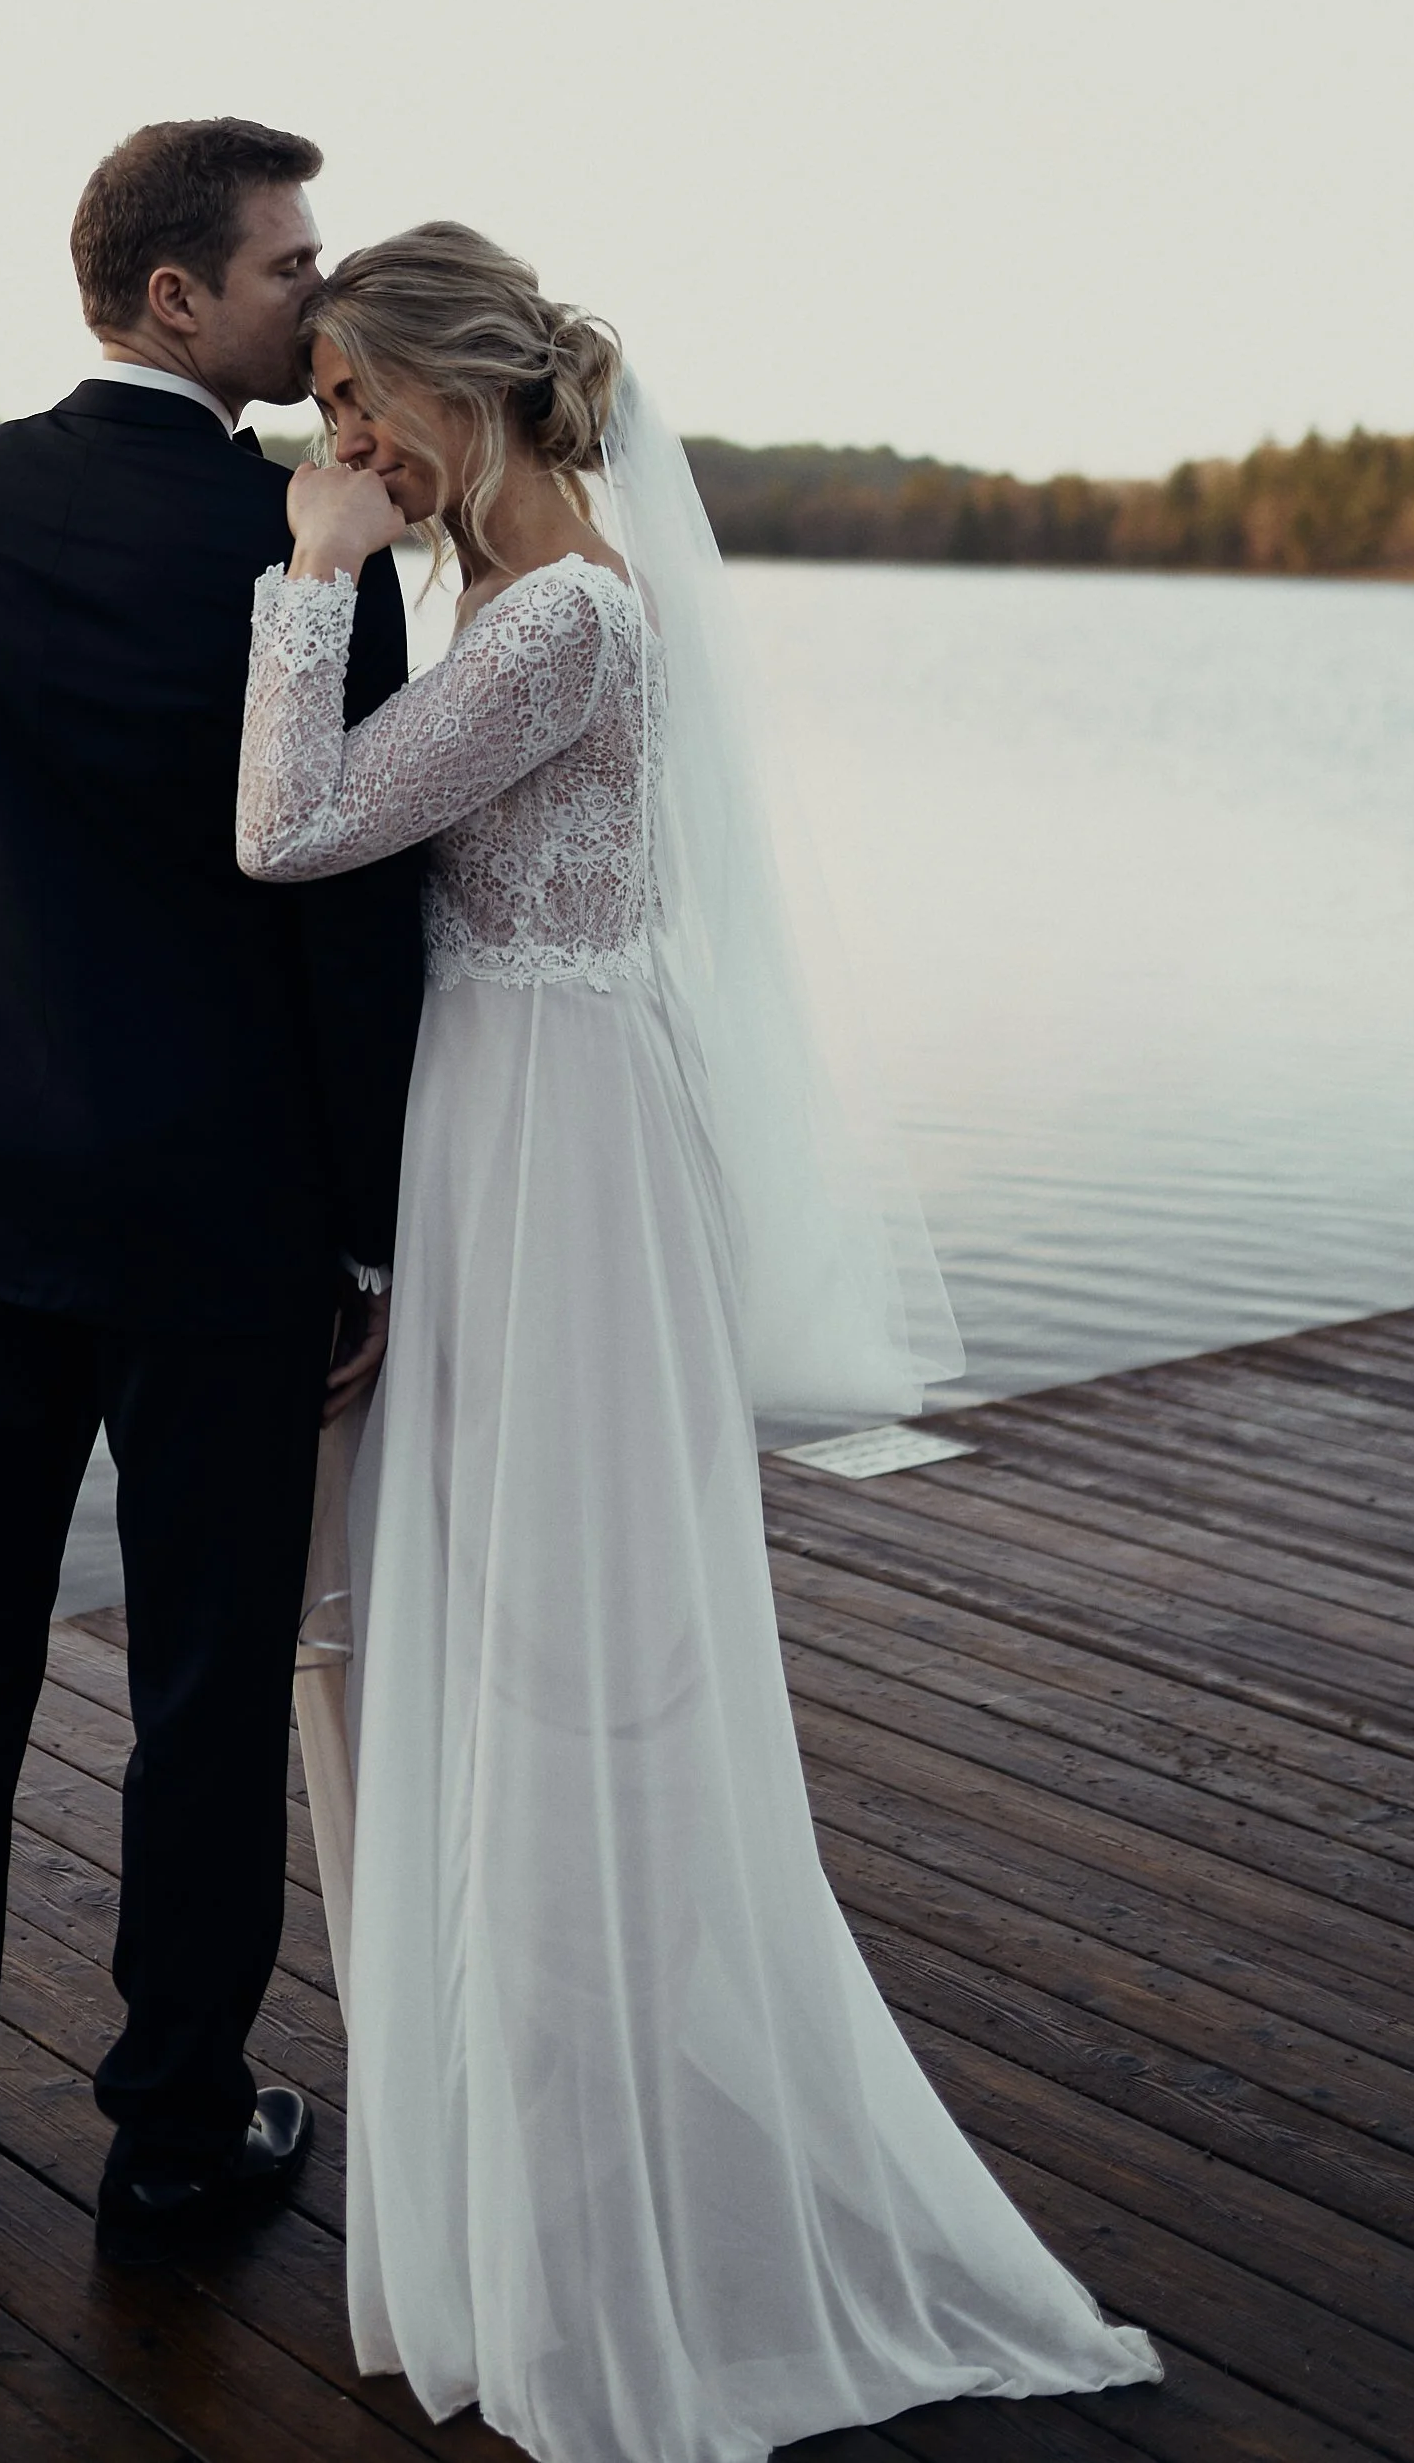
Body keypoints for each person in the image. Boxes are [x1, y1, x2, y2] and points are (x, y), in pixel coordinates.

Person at [235, 222, 1160, 2463]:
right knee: (528, 1594)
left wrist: (301, 568)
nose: (340, 438)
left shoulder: (551, 615)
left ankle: (603, 2136)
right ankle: (561, 2069)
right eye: (326, 407)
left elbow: (288, 828)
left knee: (555, 1603)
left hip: (551, 1145)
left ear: (457, 395)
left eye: (361, 400)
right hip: (529, 1117)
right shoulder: (535, 591)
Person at [0, 118, 424, 2263]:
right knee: (203, 1687)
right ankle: (175, 2129)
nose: (313, 296)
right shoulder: (308, 552)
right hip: (229, 1226)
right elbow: (354, 921)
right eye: (287, 265)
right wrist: (366, 1224)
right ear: (174, 296)